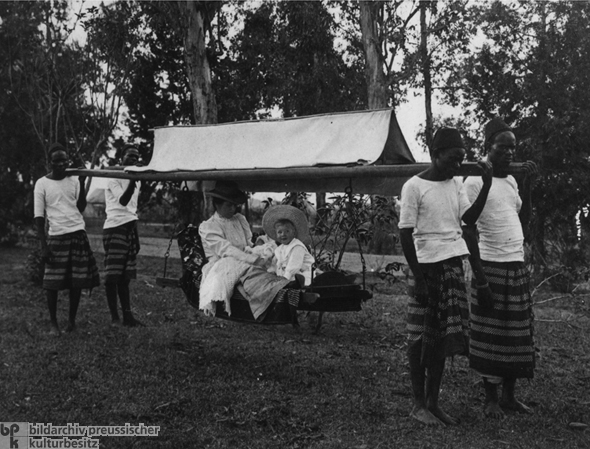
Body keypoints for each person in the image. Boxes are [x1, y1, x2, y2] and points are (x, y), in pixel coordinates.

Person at [398, 128, 492, 427]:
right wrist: (419, 278)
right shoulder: (414, 186)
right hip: (426, 268)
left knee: (443, 337)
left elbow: (468, 219)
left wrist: (487, 185)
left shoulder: (456, 185)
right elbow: (404, 233)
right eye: (452, 159)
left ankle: (433, 402)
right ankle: (417, 404)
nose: (456, 166)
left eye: (460, 160)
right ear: (435, 155)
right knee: (419, 336)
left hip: (452, 265)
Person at [463, 117, 538, 419]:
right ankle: (490, 399)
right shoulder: (473, 180)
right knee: (489, 334)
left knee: (516, 334)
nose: (509, 154)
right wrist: (480, 279)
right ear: (488, 147)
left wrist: (528, 186)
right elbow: (468, 227)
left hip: (515, 265)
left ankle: (509, 397)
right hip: (490, 265)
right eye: (502, 148)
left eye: (513, 149)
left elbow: (523, 221)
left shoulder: (509, 181)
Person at [198, 181, 316, 320]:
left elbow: (248, 244)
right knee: (252, 272)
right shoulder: (208, 226)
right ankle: (283, 291)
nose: (233, 209)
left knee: (270, 263)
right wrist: (252, 259)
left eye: (234, 205)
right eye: (228, 205)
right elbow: (226, 250)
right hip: (222, 263)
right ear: (217, 205)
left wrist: (260, 249)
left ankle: (288, 286)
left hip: (244, 257)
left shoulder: (239, 219)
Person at [34, 143, 100, 335]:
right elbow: (39, 217)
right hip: (56, 236)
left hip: (77, 233)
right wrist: (43, 245)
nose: (62, 164)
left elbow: (79, 207)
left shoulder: (72, 180)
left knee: (76, 281)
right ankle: (54, 323)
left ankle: (72, 321)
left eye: (65, 160)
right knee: (52, 283)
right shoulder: (42, 183)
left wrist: (81, 182)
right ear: (50, 162)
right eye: (57, 161)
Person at [102, 145, 143, 327]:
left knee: (125, 277)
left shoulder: (137, 179)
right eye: (130, 156)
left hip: (129, 227)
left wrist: (135, 234)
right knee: (113, 276)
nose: (134, 159)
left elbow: (132, 209)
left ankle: (128, 316)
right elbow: (123, 201)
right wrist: (133, 181)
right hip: (115, 227)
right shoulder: (113, 176)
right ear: (121, 157)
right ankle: (114, 317)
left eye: (136, 157)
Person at [262, 205, 315, 286]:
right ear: (276, 234)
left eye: (287, 231)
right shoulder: (279, 249)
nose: (283, 234)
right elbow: (275, 264)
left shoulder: (297, 246)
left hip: (301, 276)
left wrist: (285, 278)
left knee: (290, 283)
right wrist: (271, 272)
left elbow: (294, 265)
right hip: (286, 277)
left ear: (293, 232)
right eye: (280, 232)